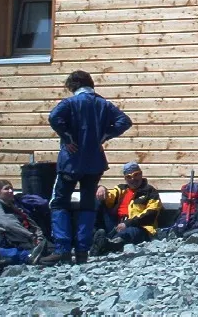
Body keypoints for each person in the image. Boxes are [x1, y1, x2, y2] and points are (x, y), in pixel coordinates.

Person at [40, 70, 132, 265]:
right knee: (88, 203)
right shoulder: (103, 104)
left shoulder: (70, 103)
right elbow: (125, 121)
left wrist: (67, 138)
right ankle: (83, 250)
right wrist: (105, 136)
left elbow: (53, 118)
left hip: (70, 161)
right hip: (94, 162)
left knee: (59, 202)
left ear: (73, 86)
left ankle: (63, 249)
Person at [91, 161, 162, 256]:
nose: (133, 179)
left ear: (141, 174)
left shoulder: (150, 192)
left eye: (136, 175)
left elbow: (151, 213)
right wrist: (101, 188)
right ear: (125, 178)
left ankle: (109, 245)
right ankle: (94, 236)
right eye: (129, 177)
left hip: (140, 227)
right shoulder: (121, 189)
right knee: (98, 199)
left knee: (129, 232)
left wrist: (127, 223)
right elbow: (109, 196)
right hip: (117, 224)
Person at [0, 180, 46, 265]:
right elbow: (7, 224)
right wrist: (31, 235)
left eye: (11, 188)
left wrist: (39, 237)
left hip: (17, 238)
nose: (11, 191)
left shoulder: (13, 206)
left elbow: (31, 223)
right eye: (6, 189)